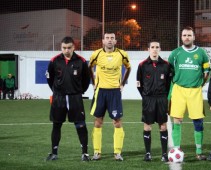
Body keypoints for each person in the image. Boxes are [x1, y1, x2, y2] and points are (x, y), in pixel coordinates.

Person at [168, 26, 210, 160]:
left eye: (189, 35)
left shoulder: (202, 53)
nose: (187, 37)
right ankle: (176, 148)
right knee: (177, 120)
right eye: (184, 35)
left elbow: (206, 72)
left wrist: (200, 85)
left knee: (198, 120)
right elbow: (169, 72)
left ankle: (198, 151)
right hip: (178, 90)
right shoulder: (175, 53)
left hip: (195, 91)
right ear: (181, 37)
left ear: (194, 37)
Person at [45, 36, 91, 161]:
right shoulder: (54, 61)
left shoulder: (81, 61)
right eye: (64, 48)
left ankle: (85, 154)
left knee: (80, 125)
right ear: (61, 48)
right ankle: (54, 153)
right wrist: (56, 91)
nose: (66, 50)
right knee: (56, 125)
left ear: (73, 47)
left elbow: (86, 80)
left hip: (75, 98)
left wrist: (79, 91)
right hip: (58, 98)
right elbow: (50, 78)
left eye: (69, 48)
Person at [89, 32, 131, 161]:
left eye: (112, 38)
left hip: (115, 92)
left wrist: (122, 83)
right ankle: (97, 152)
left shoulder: (122, 54)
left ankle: (117, 152)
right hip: (100, 91)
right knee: (98, 121)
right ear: (103, 41)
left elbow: (128, 68)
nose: (109, 40)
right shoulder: (96, 54)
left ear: (116, 41)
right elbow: (89, 67)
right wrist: (94, 83)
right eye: (107, 38)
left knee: (117, 122)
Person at [137, 41, 172, 162]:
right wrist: (145, 96)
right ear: (148, 49)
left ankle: (164, 154)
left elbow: (169, 84)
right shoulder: (142, 65)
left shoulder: (166, 65)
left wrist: (164, 96)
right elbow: (139, 84)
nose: (155, 49)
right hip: (148, 99)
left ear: (160, 49)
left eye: (157, 47)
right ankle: (148, 153)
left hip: (162, 98)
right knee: (147, 126)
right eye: (152, 47)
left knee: (163, 126)